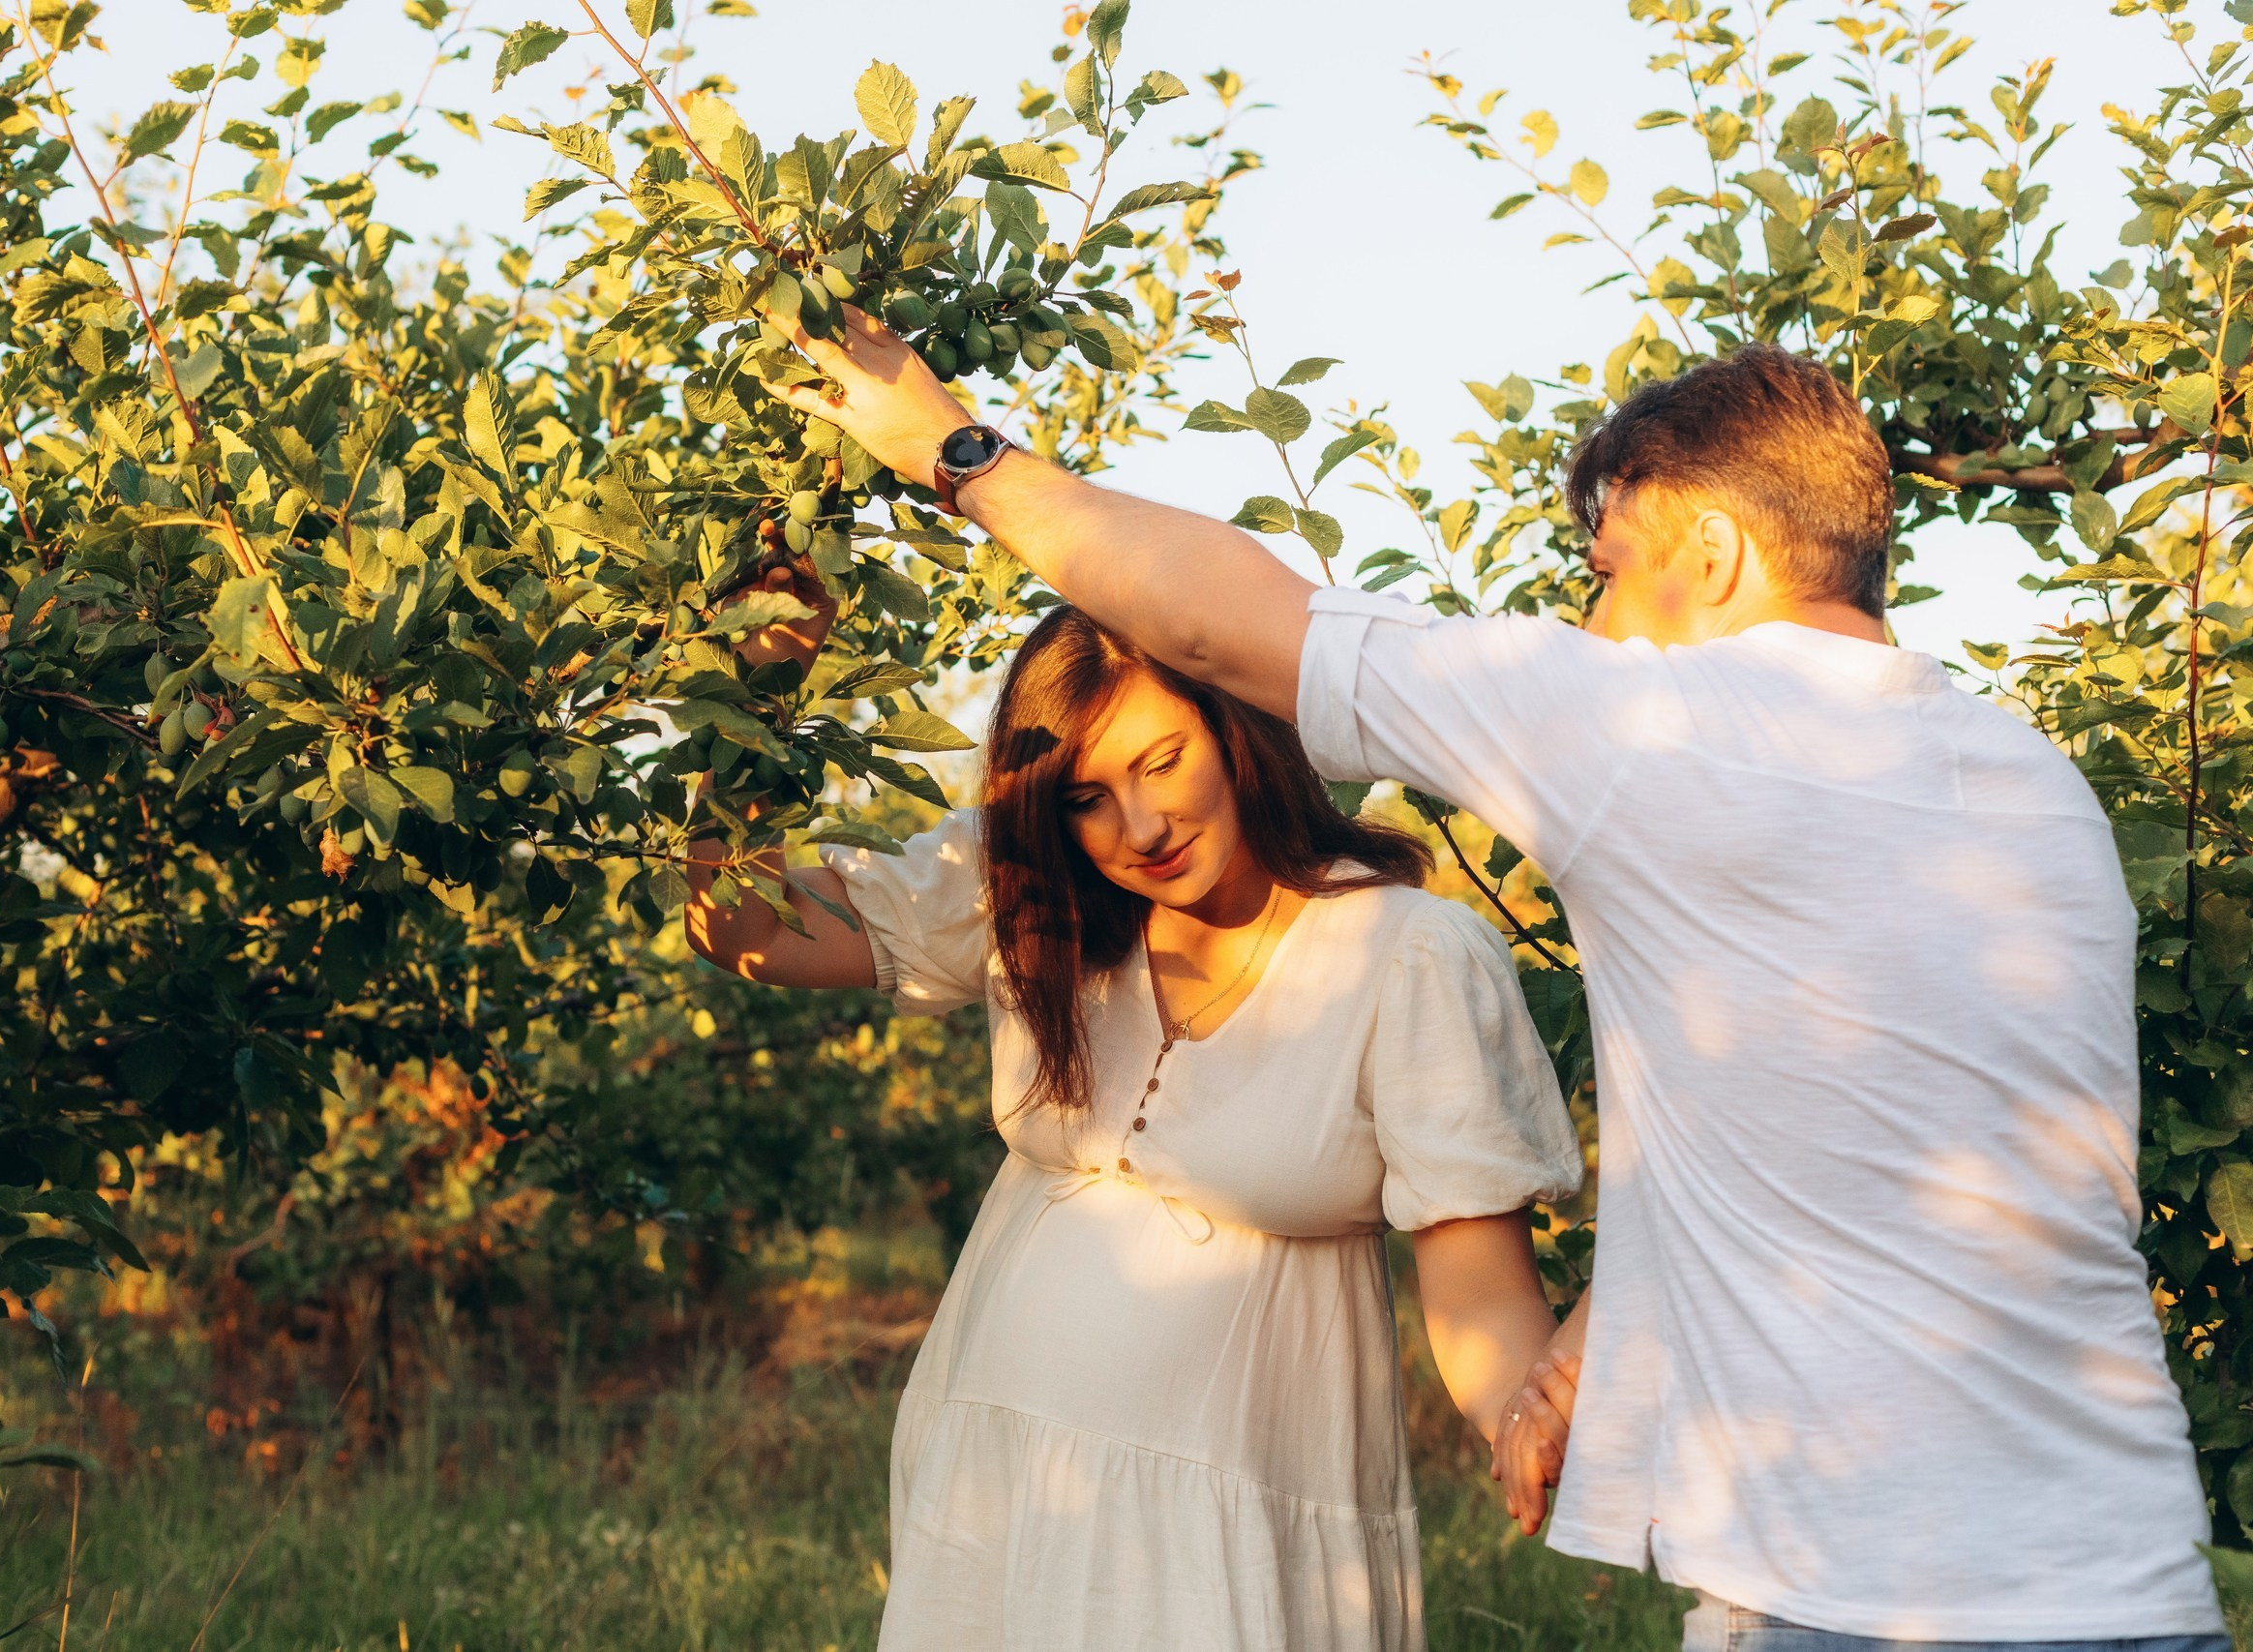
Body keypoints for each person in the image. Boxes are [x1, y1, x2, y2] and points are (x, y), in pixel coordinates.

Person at [761, 320, 2231, 1651]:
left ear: (1712, 549)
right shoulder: (2031, 788)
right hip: (2122, 1579)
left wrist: (952, 449)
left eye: (1609, 571)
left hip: (1856, 1593)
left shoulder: (1659, 732)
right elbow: (1868, 1126)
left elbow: (1214, 626)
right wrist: (1603, 1326)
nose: (1595, 626)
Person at [685, 584, 1584, 1651]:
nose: (1141, 826)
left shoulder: (1407, 955)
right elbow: (743, 928)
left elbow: (1479, 1290)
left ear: (1236, 732)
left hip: (1229, 1520)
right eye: (1087, 797)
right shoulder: (1031, 894)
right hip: (996, 1481)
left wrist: (1534, 1413)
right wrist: (756, 687)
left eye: (1162, 762)